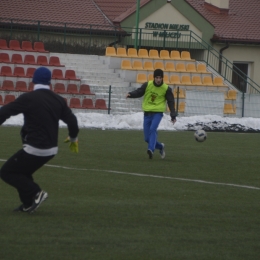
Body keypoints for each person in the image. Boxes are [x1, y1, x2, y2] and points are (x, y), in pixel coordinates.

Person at [0, 67, 79, 213]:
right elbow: (72, 121)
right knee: (23, 173)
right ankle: (28, 204)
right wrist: (73, 138)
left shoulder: (28, 98)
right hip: (51, 150)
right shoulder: (58, 100)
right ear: (50, 82)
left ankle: (36, 192)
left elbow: (4, 112)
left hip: (34, 148)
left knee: (7, 172)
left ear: (33, 80)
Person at [126, 69, 176, 159]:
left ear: (162, 78)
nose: (158, 79)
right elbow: (139, 92)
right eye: (157, 77)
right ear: (154, 77)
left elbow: (171, 101)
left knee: (153, 129)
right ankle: (160, 146)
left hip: (158, 113)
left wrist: (173, 115)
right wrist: (131, 94)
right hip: (147, 114)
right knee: (146, 139)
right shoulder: (148, 85)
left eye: (160, 77)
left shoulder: (166, 88)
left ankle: (151, 150)